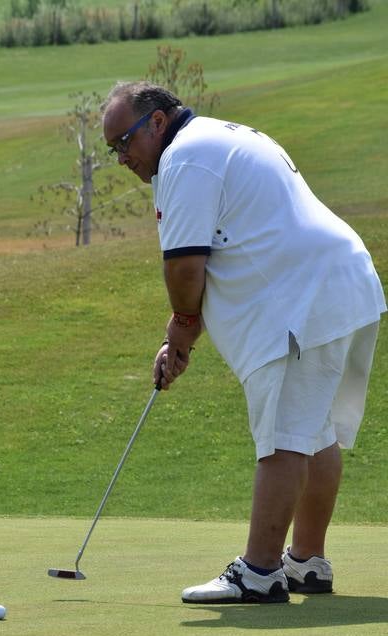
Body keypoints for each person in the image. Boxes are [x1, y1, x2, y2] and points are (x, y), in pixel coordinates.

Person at [102, 82, 386, 604]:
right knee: (313, 432)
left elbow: (187, 267)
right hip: (342, 286)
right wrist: (183, 336)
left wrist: (183, 328)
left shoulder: (184, 160)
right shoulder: (217, 139)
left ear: (158, 123)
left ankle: (258, 572)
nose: (122, 158)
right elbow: (227, 254)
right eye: (112, 149)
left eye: (125, 142)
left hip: (305, 300)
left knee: (283, 437)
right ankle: (306, 562)